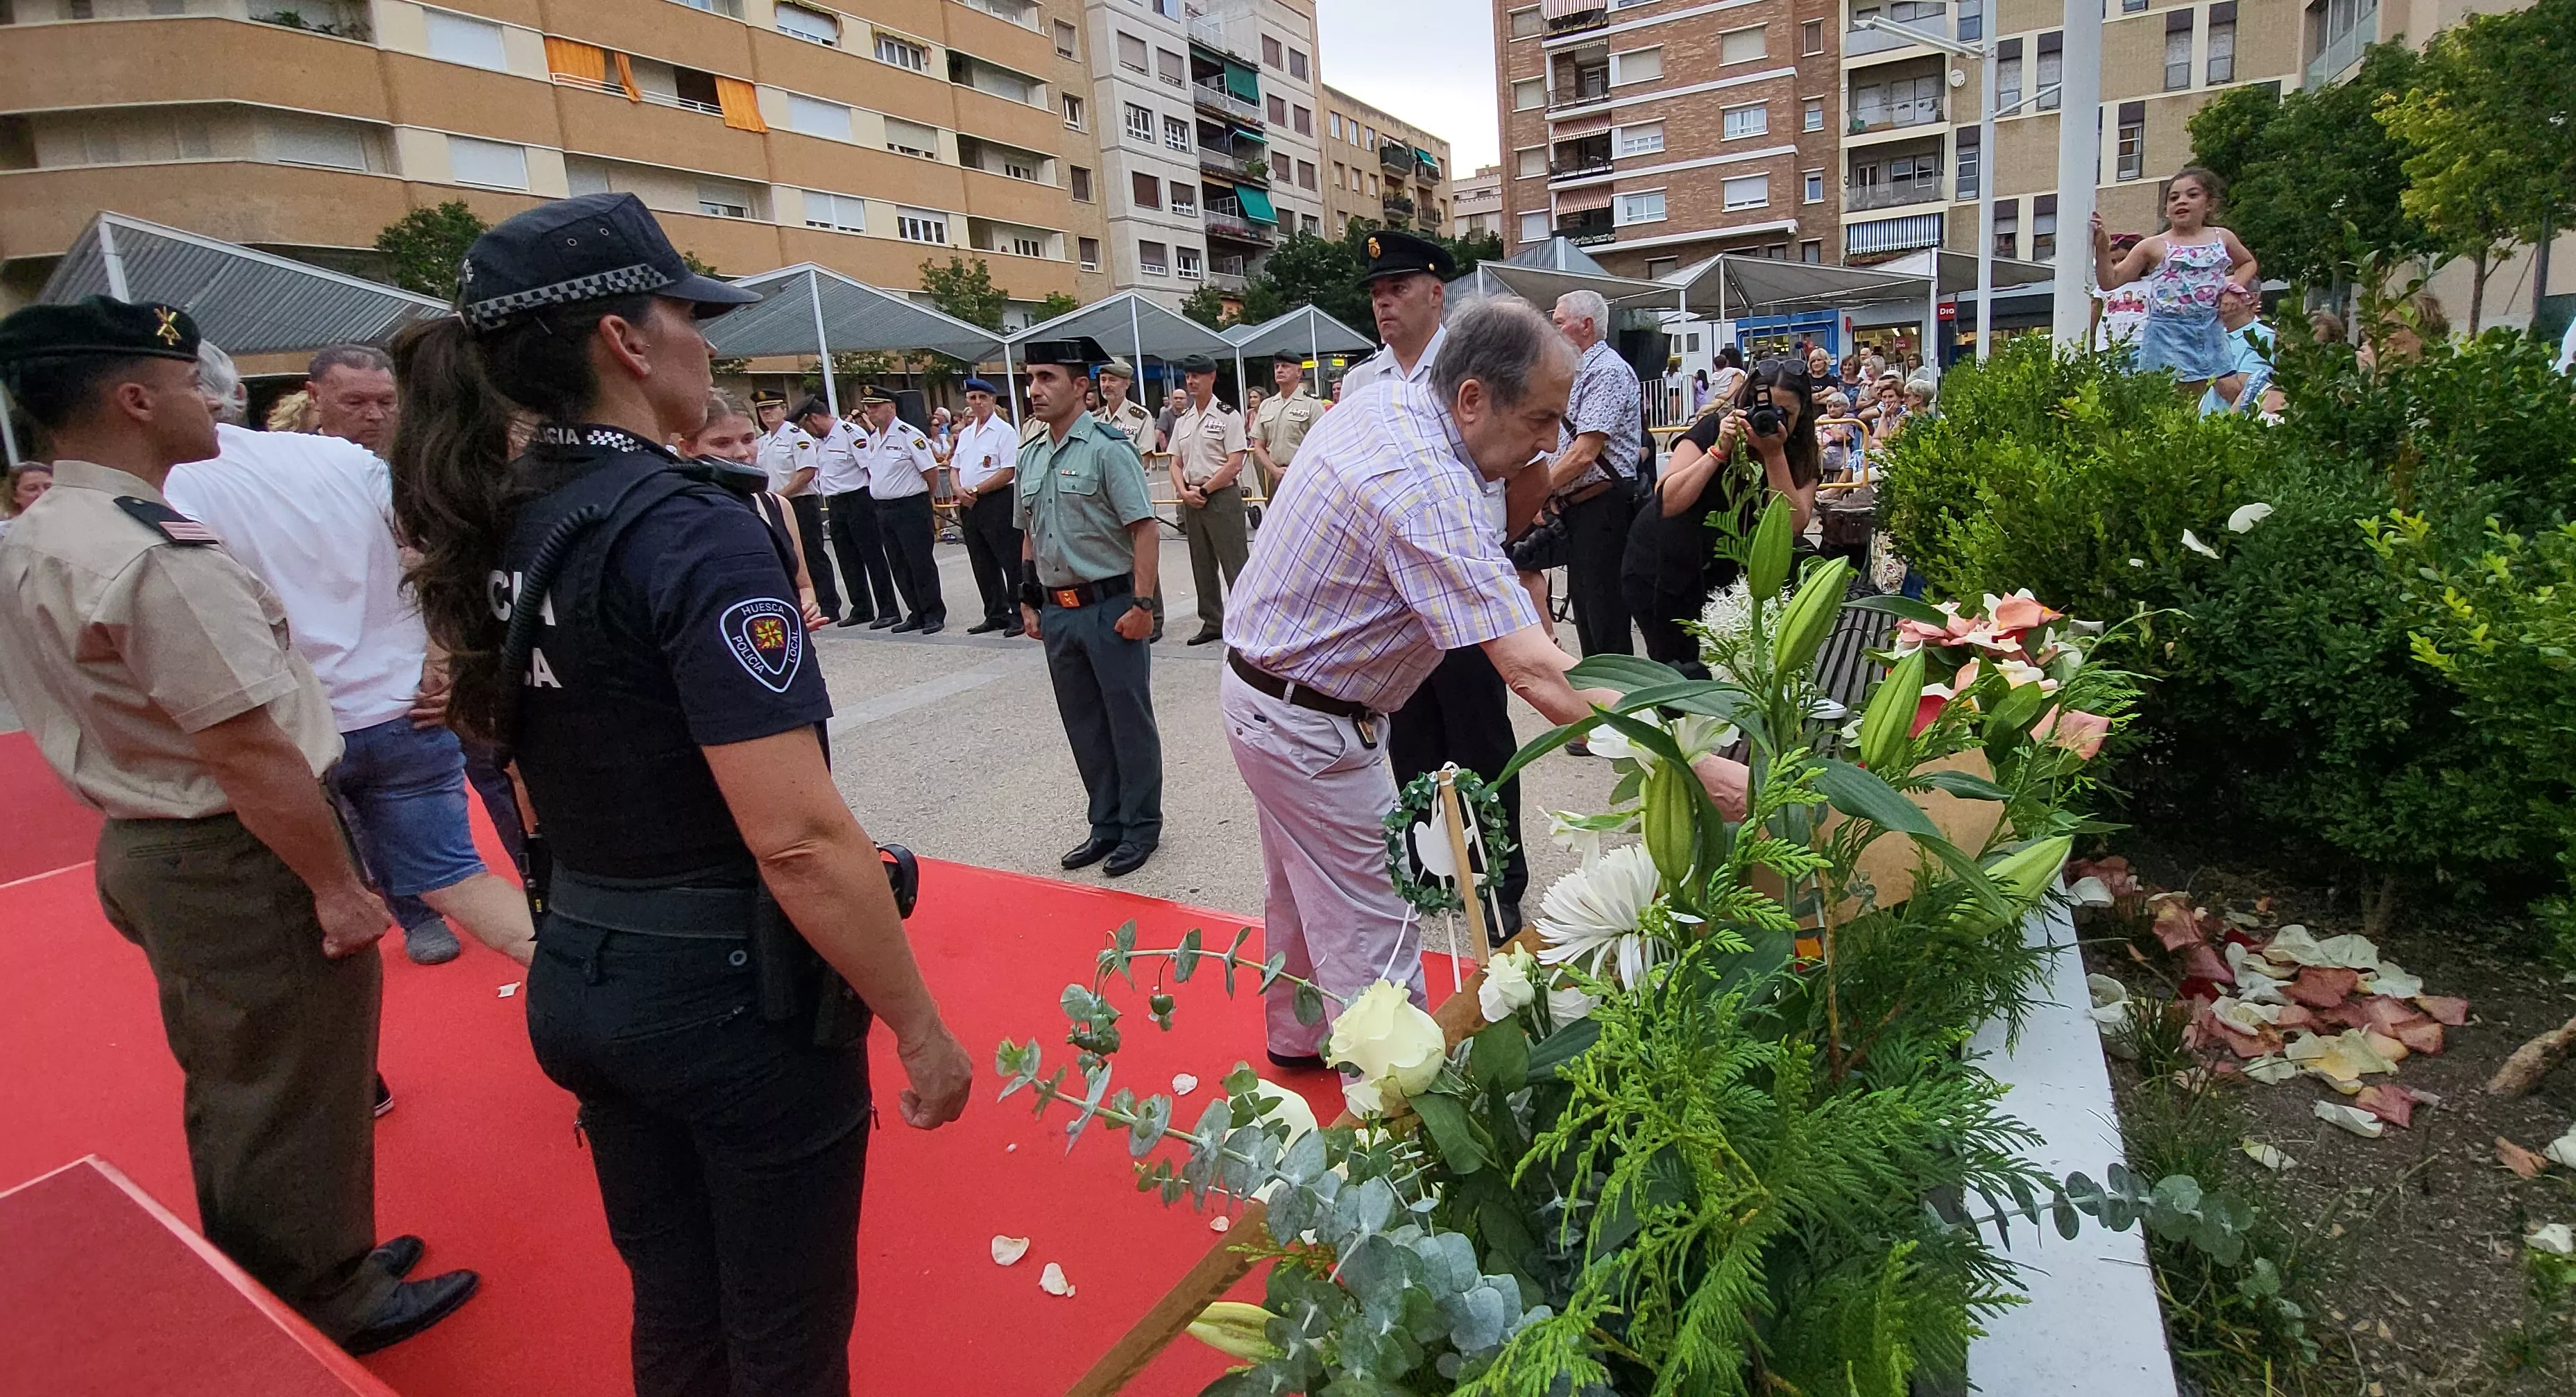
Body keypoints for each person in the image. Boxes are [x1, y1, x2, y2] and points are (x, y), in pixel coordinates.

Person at [384, 194, 972, 1396]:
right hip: (730, 1002)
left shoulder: (501, 511)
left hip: (589, 960)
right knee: (784, 1335)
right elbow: (799, 836)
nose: (711, 343)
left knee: (679, 1309)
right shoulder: (683, 525)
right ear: (626, 340)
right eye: (689, 315)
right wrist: (916, 1020)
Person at [0, 295, 481, 1352]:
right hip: (234, 846)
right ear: (133, 399)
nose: (209, 399)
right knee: (290, 1076)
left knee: (243, 1067)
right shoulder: (146, 550)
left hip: (158, 841)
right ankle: (324, 1294)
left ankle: (299, 1255)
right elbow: (246, 746)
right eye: (184, 384)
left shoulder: (47, 526)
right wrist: (338, 886)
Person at [1225, 298, 1753, 1066]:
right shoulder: (1422, 486)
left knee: (1303, 890)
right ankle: (1394, 1137)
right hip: (1307, 724)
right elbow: (1536, 670)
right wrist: (1690, 767)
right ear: (1471, 397)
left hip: (1269, 694)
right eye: (1541, 419)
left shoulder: (1393, 403)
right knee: (1379, 932)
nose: (1551, 444)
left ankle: (1296, 1037)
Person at [167, 340, 536, 971]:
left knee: (305, 909)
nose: (374, 413)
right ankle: (598, 996)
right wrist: (441, 658)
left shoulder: (170, 489)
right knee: (461, 879)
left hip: (290, 731)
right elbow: (433, 556)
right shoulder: (339, 460)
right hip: (398, 711)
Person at [1342, 230, 1542, 943]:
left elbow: (1531, 472)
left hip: (1459, 585)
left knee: (1481, 738)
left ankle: (1498, 881)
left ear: (1435, 292)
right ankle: (1437, 871)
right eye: (1374, 292)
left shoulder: (1473, 373)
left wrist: (1489, 546)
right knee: (1412, 739)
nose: (1383, 302)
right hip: (1391, 602)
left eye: (1396, 288)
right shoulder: (1361, 384)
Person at [1015, 337, 1163, 877]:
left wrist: (1143, 603)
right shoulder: (1029, 453)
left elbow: (1143, 529)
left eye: (1047, 378)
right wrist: (1028, 598)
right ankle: (1104, 824)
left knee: (1128, 722)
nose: (1035, 389)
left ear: (1081, 387)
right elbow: (1029, 532)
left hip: (1111, 606)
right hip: (1059, 611)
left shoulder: (1107, 447)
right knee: (1083, 723)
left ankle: (1141, 827)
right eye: (1031, 378)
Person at [1623, 359, 1822, 677]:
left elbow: (1794, 526)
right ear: (1746, 403)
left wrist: (1774, 455)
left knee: (1734, 670)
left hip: (1733, 582)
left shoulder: (1802, 453)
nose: (1773, 418)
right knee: (1678, 674)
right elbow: (1667, 501)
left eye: (1787, 414)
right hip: (1663, 570)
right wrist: (1718, 452)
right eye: (1767, 407)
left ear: (1802, 416)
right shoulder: (1713, 429)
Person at [2092, 167, 2258, 394]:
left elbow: (2248, 263)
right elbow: (2110, 281)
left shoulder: (2223, 237)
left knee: (2225, 387)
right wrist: (2102, 248)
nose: (2182, 201)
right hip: (2167, 331)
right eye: (2174, 197)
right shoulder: (2153, 245)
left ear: (2209, 204)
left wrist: (2233, 289)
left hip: (2209, 326)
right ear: (2166, 210)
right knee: (2169, 395)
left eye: (2192, 195)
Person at [1540, 289, 1641, 657]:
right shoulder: (1579, 370)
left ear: (1586, 325)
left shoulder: (1608, 371)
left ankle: (1618, 707)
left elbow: (1584, 454)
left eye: (1559, 323)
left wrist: (1536, 493)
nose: (1553, 332)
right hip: (1581, 509)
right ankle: (1600, 705)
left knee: (1605, 619)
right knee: (1587, 614)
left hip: (1604, 509)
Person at [680, 391, 827, 630]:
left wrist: (806, 606)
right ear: (688, 448)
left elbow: (803, 584)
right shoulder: (679, 512)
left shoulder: (776, 506)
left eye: (748, 439)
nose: (741, 453)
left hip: (781, 642)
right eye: (722, 443)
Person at [1167, 353, 1249, 647]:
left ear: (1212, 377)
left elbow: (1235, 462)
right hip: (1192, 497)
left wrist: (1205, 490)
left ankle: (1245, 620)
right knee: (1201, 564)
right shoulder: (1184, 420)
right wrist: (1185, 491)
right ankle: (1212, 621)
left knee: (1234, 561)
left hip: (1221, 496)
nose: (1191, 381)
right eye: (1188, 376)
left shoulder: (1229, 415)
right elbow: (1174, 462)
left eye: (1197, 375)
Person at [857, 388, 946, 634]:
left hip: (910, 506)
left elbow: (930, 472)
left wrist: (922, 498)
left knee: (920, 562)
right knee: (898, 563)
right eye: (868, 407)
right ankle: (914, 611)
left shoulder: (909, 435)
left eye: (875, 406)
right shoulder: (874, 438)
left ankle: (932, 613)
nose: (870, 412)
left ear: (891, 407)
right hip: (884, 509)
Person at [753, 391, 842, 623]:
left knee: (812, 555)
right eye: (763, 410)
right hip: (772, 504)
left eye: (772, 408)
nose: (767, 413)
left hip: (799, 503)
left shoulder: (797, 436)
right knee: (784, 555)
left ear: (783, 409)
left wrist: (779, 497)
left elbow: (806, 472)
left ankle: (828, 604)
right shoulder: (762, 442)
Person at [1093, 359, 1166, 641]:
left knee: (1143, 555)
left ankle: (1153, 616)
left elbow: (1144, 457)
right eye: (1103, 380)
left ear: (1126, 384)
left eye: (1113, 380)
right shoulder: (1096, 419)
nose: (1107, 385)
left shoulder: (1140, 417)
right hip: (1103, 503)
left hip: (1131, 497)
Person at [792, 395, 877, 630]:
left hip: (859, 498)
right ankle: (861, 607)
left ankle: (886, 607)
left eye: (807, 426)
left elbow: (870, 470)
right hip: (836, 503)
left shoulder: (851, 433)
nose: (808, 432)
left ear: (815, 418)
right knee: (847, 558)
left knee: (872, 557)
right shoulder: (821, 441)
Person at [949, 377, 1023, 636]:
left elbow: (1008, 470)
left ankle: (1020, 613)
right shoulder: (967, 434)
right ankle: (995, 613)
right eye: (973, 398)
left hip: (997, 501)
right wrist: (959, 490)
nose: (978, 403)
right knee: (981, 561)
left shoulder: (1004, 432)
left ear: (992, 400)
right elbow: (955, 467)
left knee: (1010, 559)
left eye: (982, 397)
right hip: (970, 504)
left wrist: (977, 490)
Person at [305, 344, 400, 455]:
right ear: (315, 396)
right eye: (355, 403)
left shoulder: (416, 462)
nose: (376, 415)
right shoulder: (294, 464)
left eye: (386, 402)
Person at [1251, 350, 1322, 498]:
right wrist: (1274, 470)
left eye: (1285, 366)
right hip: (1275, 476)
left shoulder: (1312, 404)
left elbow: (1321, 445)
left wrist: (1299, 470)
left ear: (1298, 371)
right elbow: (1258, 445)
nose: (1279, 370)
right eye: (1277, 367)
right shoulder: (1267, 405)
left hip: (1303, 476)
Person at [2202, 285, 2280, 417]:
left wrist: (2208, 353)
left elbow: (2242, 396)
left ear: (2252, 298)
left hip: (2228, 432)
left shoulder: (2263, 337)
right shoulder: (2219, 336)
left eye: (2226, 291)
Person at [1, 459, 53, 539]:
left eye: (48, 487)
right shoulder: (6, 533)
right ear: (15, 496)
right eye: (31, 489)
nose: (43, 493)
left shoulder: (73, 523)